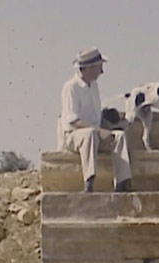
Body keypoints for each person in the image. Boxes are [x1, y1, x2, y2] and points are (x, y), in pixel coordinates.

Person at [57, 47, 132, 192]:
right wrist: (99, 131)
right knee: (89, 133)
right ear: (89, 68)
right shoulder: (71, 87)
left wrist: (107, 125)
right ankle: (89, 182)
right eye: (99, 67)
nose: (102, 72)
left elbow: (94, 117)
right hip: (74, 136)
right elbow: (73, 121)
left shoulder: (94, 86)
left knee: (119, 136)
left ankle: (122, 183)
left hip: (95, 134)